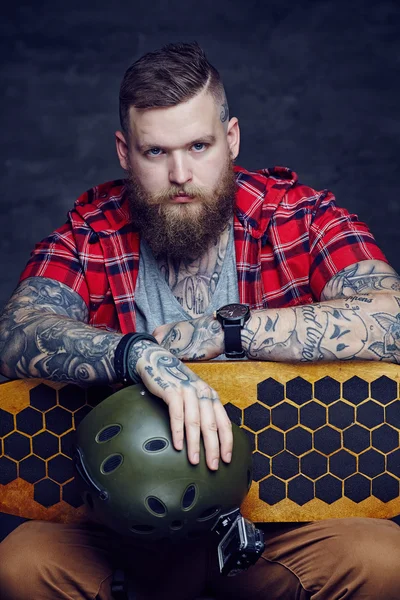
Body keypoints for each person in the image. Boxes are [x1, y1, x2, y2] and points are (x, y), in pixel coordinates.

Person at [0, 41, 399, 599]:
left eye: (199, 145)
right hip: (120, 536)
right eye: (156, 151)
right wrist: (138, 353)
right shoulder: (91, 235)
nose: (181, 173)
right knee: (21, 561)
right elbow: (18, 328)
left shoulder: (297, 217)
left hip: (271, 528)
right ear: (124, 152)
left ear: (231, 139)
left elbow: (393, 316)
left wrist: (228, 330)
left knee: (382, 557)